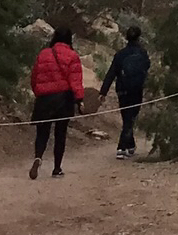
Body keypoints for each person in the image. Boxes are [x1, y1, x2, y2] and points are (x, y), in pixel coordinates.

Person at [28, 24, 85, 179]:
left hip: (44, 98)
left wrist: (38, 92)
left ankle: (38, 157)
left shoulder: (43, 54)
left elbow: (34, 77)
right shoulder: (72, 56)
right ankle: (57, 168)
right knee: (60, 133)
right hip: (63, 98)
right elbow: (75, 80)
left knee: (42, 132)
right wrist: (79, 99)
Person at [98, 23, 150, 161]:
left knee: (127, 118)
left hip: (122, 90)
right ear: (139, 38)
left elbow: (111, 73)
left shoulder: (120, 54)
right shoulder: (143, 53)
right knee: (130, 119)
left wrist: (103, 91)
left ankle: (131, 146)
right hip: (136, 90)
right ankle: (121, 148)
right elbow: (147, 69)